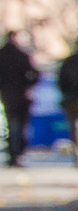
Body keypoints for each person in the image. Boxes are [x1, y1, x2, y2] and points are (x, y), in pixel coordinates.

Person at [0, 30, 36, 168]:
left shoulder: (2, 54)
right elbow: (35, 72)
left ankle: (12, 155)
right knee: (21, 126)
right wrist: (29, 85)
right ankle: (19, 154)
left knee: (10, 125)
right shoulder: (23, 54)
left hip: (7, 94)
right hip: (22, 94)